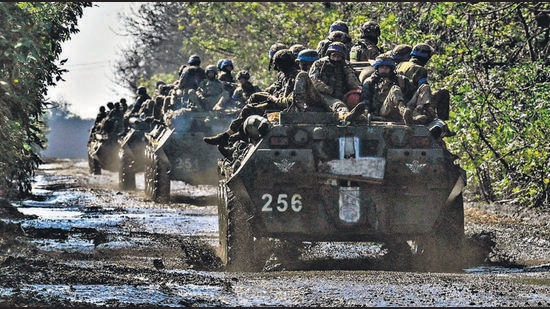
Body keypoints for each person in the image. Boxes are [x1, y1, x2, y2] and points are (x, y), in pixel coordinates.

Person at [203, 49, 299, 150]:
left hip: (283, 106)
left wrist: (275, 99)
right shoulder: (287, 75)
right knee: (255, 97)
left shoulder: (296, 76)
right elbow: (277, 88)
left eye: (278, 65)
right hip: (277, 100)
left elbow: (291, 100)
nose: (277, 68)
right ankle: (237, 135)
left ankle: (229, 136)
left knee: (249, 109)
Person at [360, 54, 416, 125]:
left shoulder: (401, 80)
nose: (384, 69)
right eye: (381, 67)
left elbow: (412, 94)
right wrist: (366, 113)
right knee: (395, 89)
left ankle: (421, 114)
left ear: (391, 68)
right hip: (382, 111)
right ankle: (403, 111)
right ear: (377, 68)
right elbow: (365, 100)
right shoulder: (370, 82)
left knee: (424, 87)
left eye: (387, 67)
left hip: (402, 112)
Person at [308, 42, 362, 114]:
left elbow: (353, 83)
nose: (336, 59)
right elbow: (313, 80)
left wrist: (347, 71)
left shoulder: (346, 65)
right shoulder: (320, 64)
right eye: (334, 56)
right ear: (329, 55)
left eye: (339, 56)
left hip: (341, 95)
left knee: (355, 98)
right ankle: (344, 115)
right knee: (339, 105)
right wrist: (327, 89)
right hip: (322, 95)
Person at [396, 43, 438, 124]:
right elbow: (423, 87)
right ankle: (420, 113)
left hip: (398, 100)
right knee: (442, 92)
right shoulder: (420, 70)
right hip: (410, 102)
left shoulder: (400, 65)